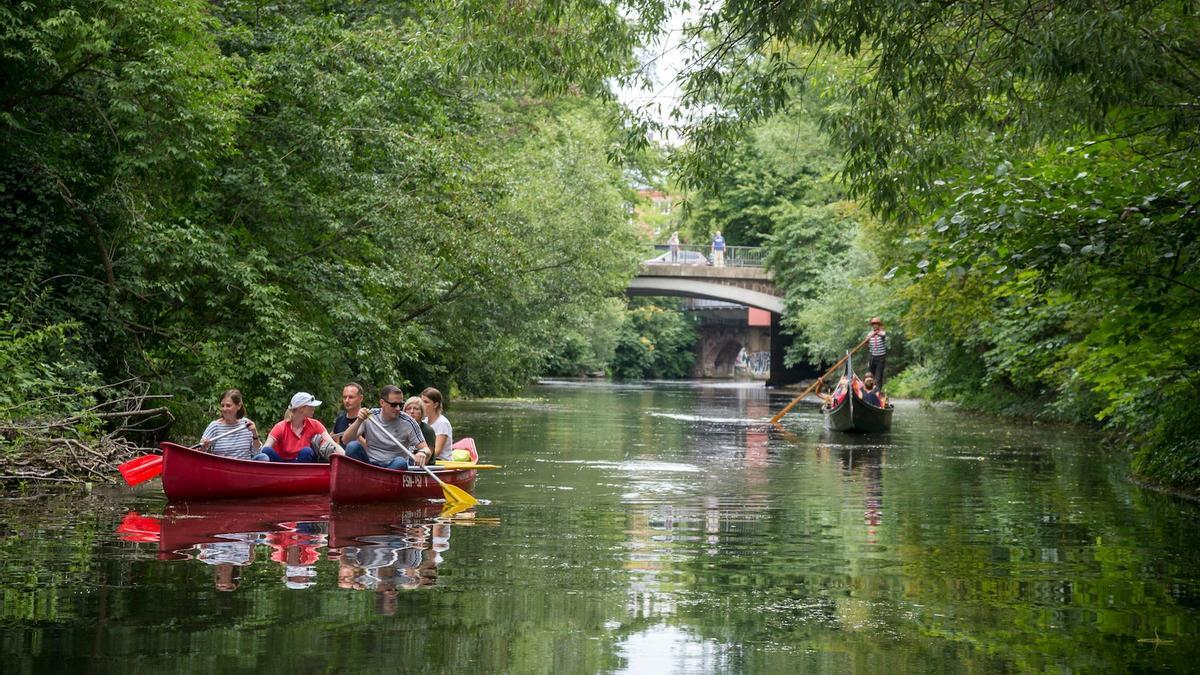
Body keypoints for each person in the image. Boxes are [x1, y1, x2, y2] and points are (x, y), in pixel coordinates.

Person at [341, 385, 432, 469]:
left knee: (400, 462)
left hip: (392, 466)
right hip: (370, 464)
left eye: (400, 405)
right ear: (382, 402)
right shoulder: (369, 416)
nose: (398, 409)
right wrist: (359, 421)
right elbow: (345, 440)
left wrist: (422, 452)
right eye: (393, 405)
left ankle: (378, 481)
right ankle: (363, 478)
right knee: (353, 446)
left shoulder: (408, 422)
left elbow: (426, 449)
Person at [254, 392, 340, 462]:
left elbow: (332, 443)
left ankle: (296, 477)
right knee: (267, 450)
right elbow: (265, 448)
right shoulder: (280, 427)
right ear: (302, 408)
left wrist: (347, 457)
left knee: (307, 451)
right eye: (311, 406)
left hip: (302, 465)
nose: (314, 408)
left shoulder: (315, 424)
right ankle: (285, 476)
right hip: (282, 465)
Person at [200, 389, 261, 460]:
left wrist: (254, 433)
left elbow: (256, 453)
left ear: (239, 406)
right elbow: (199, 451)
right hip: (222, 467)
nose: (224, 409)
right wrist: (204, 446)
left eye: (228, 406)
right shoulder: (215, 426)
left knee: (263, 457)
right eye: (222, 405)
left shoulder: (246, 424)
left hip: (243, 467)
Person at [420, 387, 455, 461]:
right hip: (426, 458)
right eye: (421, 401)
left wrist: (418, 457)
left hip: (441, 461)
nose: (422, 405)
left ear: (435, 405)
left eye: (426, 402)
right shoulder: (424, 420)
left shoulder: (443, 423)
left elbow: (437, 452)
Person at [331, 382, 365, 446]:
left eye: (351, 397)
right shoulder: (340, 420)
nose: (346, 400)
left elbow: (373, 450)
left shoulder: (369, 420)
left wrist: (355, 435)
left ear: (361, 398)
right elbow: (333, 440)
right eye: (344, 397)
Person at [866, 316, 887, 389]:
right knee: (870, 375)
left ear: (879, 325)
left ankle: (878, 391)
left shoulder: (882, 332)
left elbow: (883, 335)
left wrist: (876, 333)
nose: (875, 325)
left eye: (876, 324)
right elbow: (866, 344)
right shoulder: (869, 334)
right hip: (872, 357)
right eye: (873, 324)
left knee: (878, 375)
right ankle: (870, 389)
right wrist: (866, 340)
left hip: (881, 357)